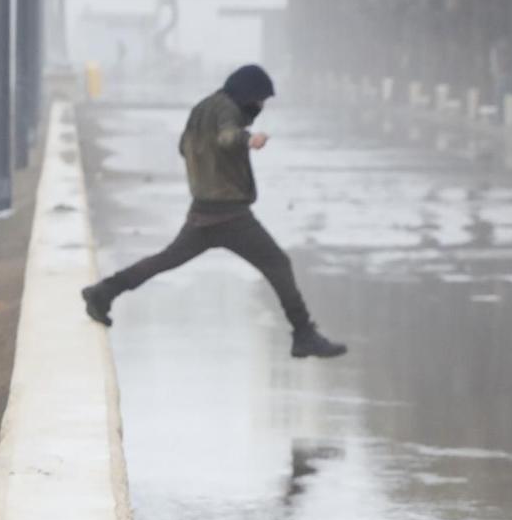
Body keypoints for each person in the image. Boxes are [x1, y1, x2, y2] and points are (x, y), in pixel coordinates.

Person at [81, 64, 346, 359]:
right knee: (278, 263)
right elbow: (227, 136)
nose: (260, 107)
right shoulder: (228, 111)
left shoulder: (202, 108)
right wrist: (249, 139)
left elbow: (184, 147)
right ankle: (304, 334)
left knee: (165, 260)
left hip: (202, 211)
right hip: (231, 215)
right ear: (248, 95)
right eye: (260, 100)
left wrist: (209, 169)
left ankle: (103, 292)